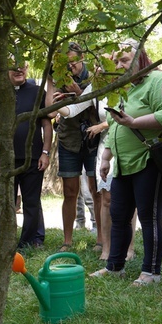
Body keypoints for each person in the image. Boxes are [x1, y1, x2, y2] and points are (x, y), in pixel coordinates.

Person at [92, 39, 162, 285]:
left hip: (148, 160)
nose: (120, 66)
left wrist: (134, 123)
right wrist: (106, 158)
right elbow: (113, 125)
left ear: (140, 57)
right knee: (119, 215)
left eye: (125, 60)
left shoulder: (155, 81)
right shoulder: (122, 88)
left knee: (148, 216)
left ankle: (151, 272)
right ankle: (114, 267)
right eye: (117, 61)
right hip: (123, 163)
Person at [0, 63, 52, 249]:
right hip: (6, 161)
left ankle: (30, 241)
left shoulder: (38, 92)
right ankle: (6, 240)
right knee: (6, 202)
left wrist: (45, 152)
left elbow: (47, 124)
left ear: (27, 68)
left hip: (33, 157)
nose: (18, 70)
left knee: (32, 201)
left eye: (21, 67)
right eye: (13, 67)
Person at [52, 43, 103, 252]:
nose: (70, 66)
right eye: (66, 62)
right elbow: (49, 108)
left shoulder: (96, 79)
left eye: (73, 61)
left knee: (96, 190)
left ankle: (101, 240)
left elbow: (97, 106)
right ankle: (67, 241)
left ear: (82, 59)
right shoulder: (58, 80)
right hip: (68, 140)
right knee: (70, 192)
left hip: (92, 140)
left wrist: (78, 92)